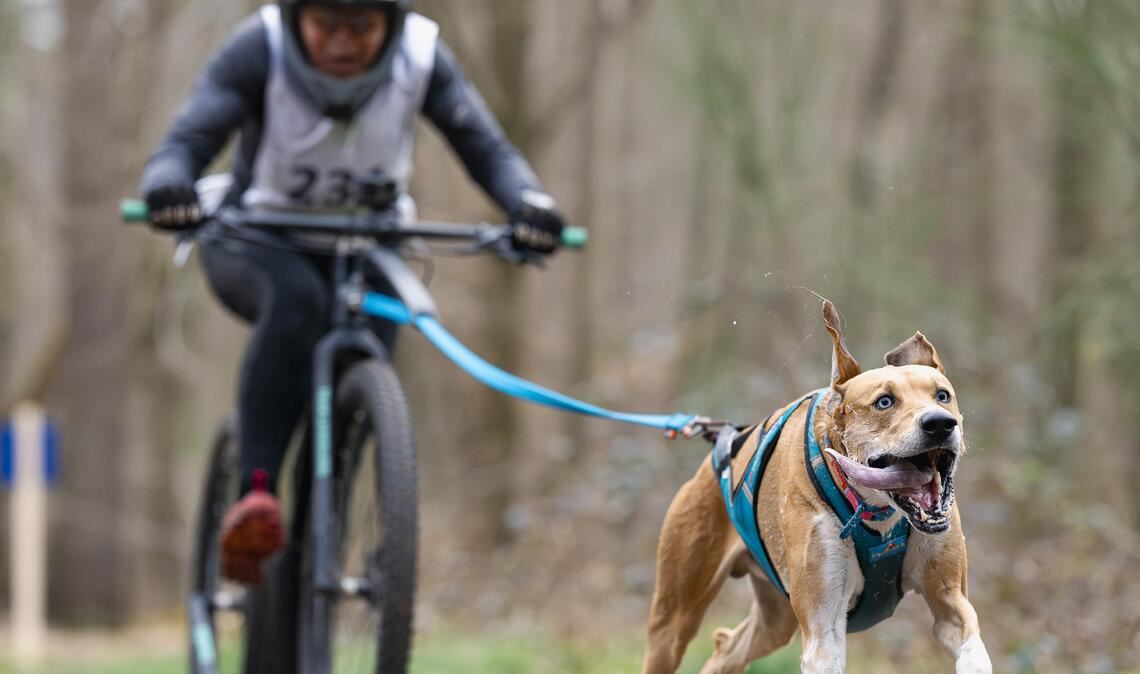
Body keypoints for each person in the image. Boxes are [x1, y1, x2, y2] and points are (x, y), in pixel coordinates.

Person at [139, 0, 567, 584]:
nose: (342, 42)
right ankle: (255, 497)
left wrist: (529, 203)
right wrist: (168, 185)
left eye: (361, 27)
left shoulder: (420, 55)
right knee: (297, 304)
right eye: (326, 26)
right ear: (298, 19)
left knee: (367, 363)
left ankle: (323, 536)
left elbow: (486, 148)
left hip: (369, 246)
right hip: (254, 238)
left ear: (388, 24)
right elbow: (186, 139)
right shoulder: (257, 47)